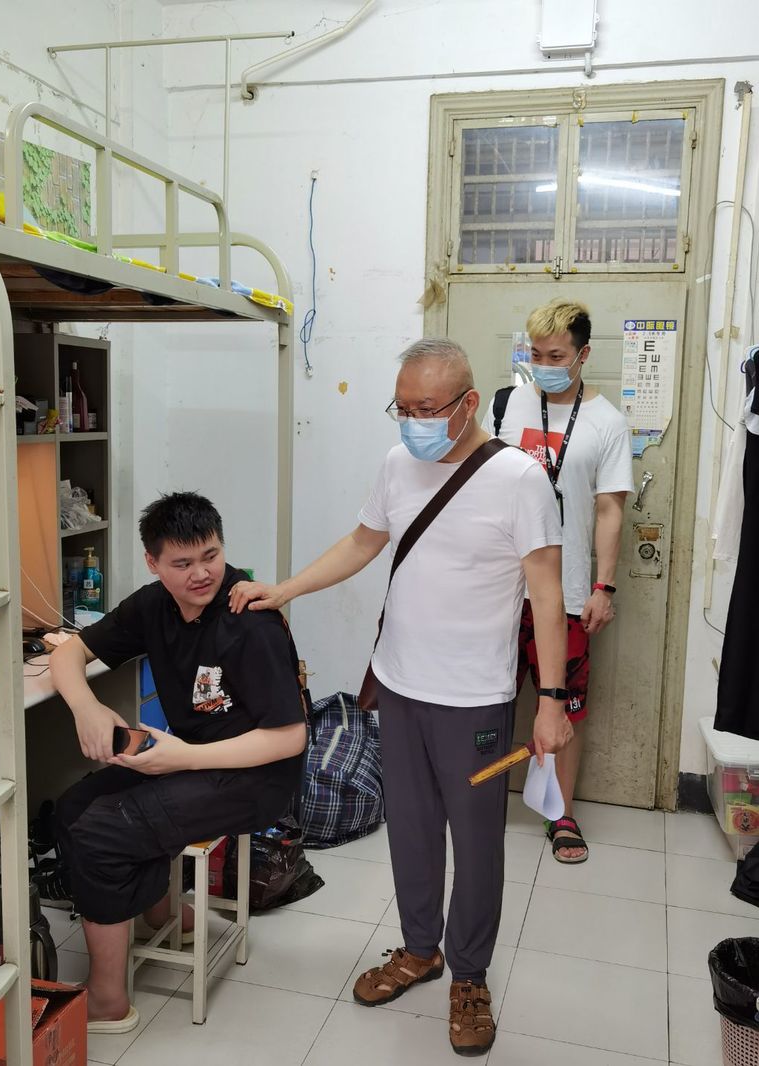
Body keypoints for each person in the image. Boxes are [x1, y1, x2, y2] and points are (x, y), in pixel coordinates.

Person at [229, 339, 571, 1057]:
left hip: (476, 701)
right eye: (403, 407)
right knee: (410, 829)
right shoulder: (396, 464)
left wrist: (551, 700)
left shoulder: (519, 479)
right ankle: (420, 950)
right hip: (400, 687)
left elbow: (546, 595)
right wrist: (285, 590)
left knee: (475, 845)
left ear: (468, 403)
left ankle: (469, 976)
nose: (413, 422)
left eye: (426, 408)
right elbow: (363, 543)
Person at [50, 491, 308, 1033]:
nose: (201, 574)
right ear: (153, 563)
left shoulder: (250, 621)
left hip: (255, 777)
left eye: (211, 556)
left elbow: (289, 739)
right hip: (190, 760)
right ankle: (162, 913)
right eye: (182, 563)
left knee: (103, 832)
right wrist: (86, 707)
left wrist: (185, 757)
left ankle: (107, 1000)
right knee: (73, 809)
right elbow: (70, 651)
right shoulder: (154, 605)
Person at [482, 299, 633, 864]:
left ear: (583, 354)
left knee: (565, 707)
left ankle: (560, 812)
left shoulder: (607, 422)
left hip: (566, 594)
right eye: (536, 354)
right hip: (500, 588)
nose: (543, 365)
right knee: (485, 702)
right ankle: (477, 799)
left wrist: (603, 586)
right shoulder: (506, 404)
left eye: (556, 356)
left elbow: (611, 508)